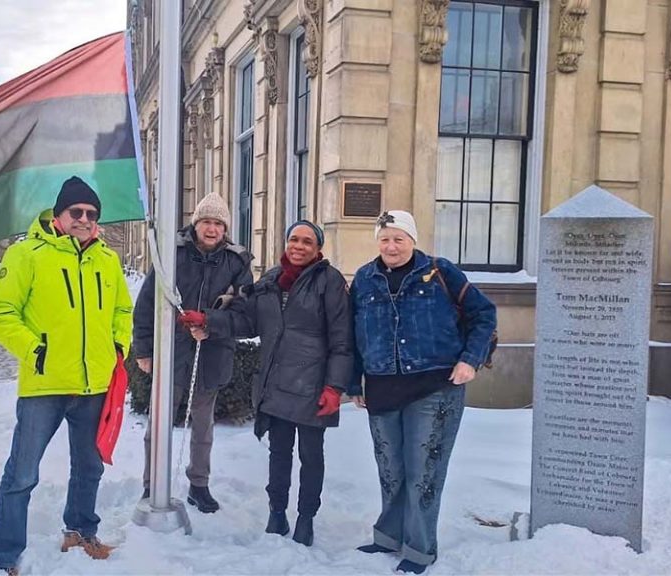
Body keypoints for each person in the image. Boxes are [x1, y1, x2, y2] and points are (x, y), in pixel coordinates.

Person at [0, 176, 133, 574]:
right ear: (59, 215)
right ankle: (4, 552)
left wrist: (118, 346)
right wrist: (36, 350)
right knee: (22, 473)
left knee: (89, 468)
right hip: (44, 385)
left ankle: (81, 532)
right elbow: (0, 313)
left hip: (93, 384)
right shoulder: (27, 254)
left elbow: (122, 310)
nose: (84, 219)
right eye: (77, 212)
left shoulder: (107, 259)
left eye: (91, 214)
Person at [187, 220, 353, 547]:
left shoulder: (329, 281)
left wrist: (334, 387)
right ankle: (277, 513)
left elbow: (342, 340)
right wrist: (209, 320)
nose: (299, 246)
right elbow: (247, 321)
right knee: (279, 453)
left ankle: (306, 518)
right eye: (294, 239)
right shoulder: (271, 280)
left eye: (307, 241)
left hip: (312, 385)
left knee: (311, 456)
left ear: (318, 248)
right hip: (276, 383)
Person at [348, 210, 497, 574]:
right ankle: (388, 536)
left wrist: (470, 360)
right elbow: (351, 337)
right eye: (385, 238)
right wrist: (354, 383)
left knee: (423, 473)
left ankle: (418, 550)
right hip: (382, 388)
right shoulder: (365, 279)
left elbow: (484, 314)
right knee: (391, 470)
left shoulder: (439, 272)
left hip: (434, 388)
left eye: (399, 238)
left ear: (412, 240)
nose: (391, 245)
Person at [132, 193, 253, 512]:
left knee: (203, 425)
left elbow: (245, 314)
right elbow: (147, 303)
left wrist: (211, 323)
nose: (211, 229)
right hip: (172, 351)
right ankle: (152, 483)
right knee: (158, 423)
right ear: (195, 223)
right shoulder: (172, 254)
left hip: (210, 354)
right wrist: (144, 349)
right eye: (206, 222)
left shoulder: (237, 262)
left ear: (225, 228)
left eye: (218, 223)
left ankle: (199, 484)